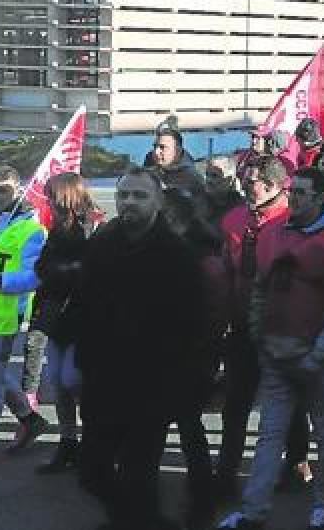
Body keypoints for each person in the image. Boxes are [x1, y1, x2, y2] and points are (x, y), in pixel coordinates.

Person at [217, 168, 324, 530]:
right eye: (292, 191)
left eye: (301, 192)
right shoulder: (272, 235)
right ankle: (254, 511)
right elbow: (259, 289)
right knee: (270, 434)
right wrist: (259, 333)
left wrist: (322, 352)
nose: (293, 198)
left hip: (320, 359)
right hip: (277, 353)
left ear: (320, 197)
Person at [77, 168, 208, 530]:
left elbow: (192, 324)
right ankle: (139, 520)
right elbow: (85, 306)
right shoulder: (103, 244)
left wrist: (180, 381)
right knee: (92, 471)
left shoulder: (177, 255)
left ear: (158, 202)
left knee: (140, 476)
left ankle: (137, 520)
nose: (129, 202)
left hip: (153, 385)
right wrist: (84, 362)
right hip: (103, 380)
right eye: (124, 195)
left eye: (139, 195)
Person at [215, 156, 312, 499]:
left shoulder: (295, 221)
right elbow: (227, 271)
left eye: (253, 180)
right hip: (242, 326)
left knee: (288, 400)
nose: (245, 184)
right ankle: (226, 472)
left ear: (274, 186)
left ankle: (297, 460)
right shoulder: (233, 219)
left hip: (284, 327)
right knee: (236, 402)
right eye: (245, 178)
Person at [163, 186, 228, 528]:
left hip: (189, 353)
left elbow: (215, 314)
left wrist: (200, 348)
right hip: (176, 351)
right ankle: (199, 491)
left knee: (186, 423)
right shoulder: (177, 250)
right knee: (180, 423)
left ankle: (202, 493)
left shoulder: (202, 258)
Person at [31, 172, 101, 474]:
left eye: (51, 195)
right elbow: (42, 266)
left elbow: (88, 272)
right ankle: (68, 442)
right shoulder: (58, 229)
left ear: (65, 196)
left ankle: (94, 440)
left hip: (82, 318)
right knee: (58, 384)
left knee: (73, 380)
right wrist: (64, 271)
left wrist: (63, 271)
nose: (47, 201)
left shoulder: (93, 227)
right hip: (56, 317)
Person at [0, 164, 49, 453]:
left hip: (1, 321)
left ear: (17, 191)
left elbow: (35, 276)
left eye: (3, 190)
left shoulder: (32, 230)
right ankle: (29, 418)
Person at [150, 127, 205, 192]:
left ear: (177, 150)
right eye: (155, 146)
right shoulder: (150, 162)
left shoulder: (191, 180)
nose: (156, 152)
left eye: (162, 147)